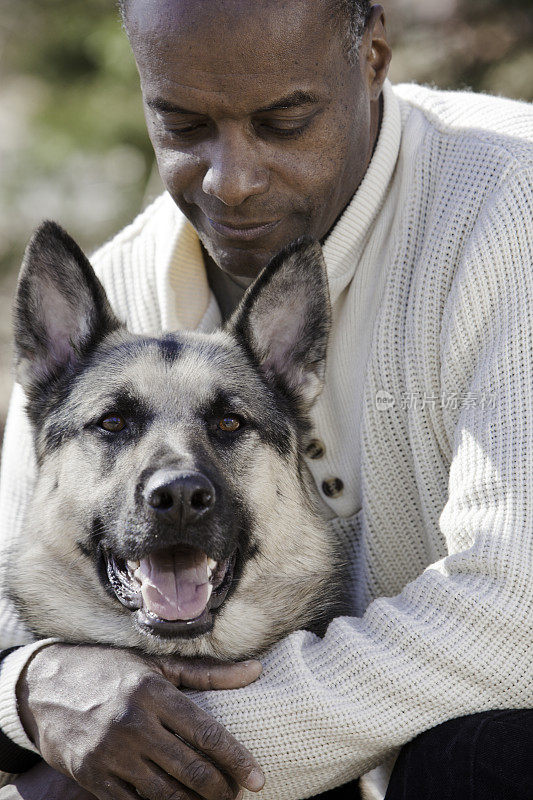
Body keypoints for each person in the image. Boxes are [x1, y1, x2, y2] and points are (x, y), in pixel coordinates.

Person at [0, 1, 532, 799]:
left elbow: (513, 616)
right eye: (181, 126)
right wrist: (28, 689)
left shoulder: (510, 206)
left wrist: (154, 763)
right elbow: (21, 586)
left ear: (373, 56)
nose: (232, 181)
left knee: (478, 760)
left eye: (283, 122)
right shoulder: (118, 287)